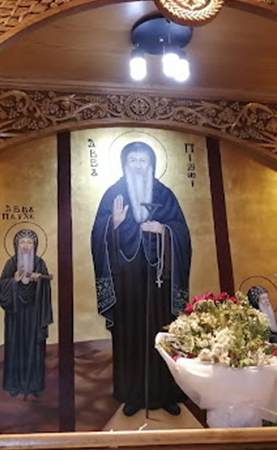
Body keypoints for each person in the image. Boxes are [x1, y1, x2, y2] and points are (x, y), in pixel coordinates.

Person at [91, 141, 191, 417]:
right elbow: (97, 235)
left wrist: (164, 230)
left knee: (163, 332)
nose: (138, 166)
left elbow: (182, 233)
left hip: (160, 282)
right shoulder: (113, 194)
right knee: (130, 335)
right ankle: (131, 394)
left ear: (151, 164)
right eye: (133, 160)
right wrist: (113, 223)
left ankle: (166, 393)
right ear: (125, 164)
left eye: (142, 160)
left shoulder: (165, 194)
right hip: (127, 283)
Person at [0, 229, 53, 398]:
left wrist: (39, 281)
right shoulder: (11, 264)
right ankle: (14, 384)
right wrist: (14, 281)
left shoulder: (40, 263)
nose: (26, 246)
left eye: (29, 242)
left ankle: (34, 384)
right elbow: (2, 289)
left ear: (35, 245)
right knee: (15, 347)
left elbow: (46, 286)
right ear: (16, 245)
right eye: (22, 242)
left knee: (34, 348)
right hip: (15, 315)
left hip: (34, 313)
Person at [246, 286, 277, 375]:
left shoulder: (265, 312)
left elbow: (273, 331)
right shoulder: (253, 318)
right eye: (263, 298)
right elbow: (263, 338)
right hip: (260, 349)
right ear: (255, 301)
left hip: (272, 343)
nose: (267, 301)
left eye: (267, 298)